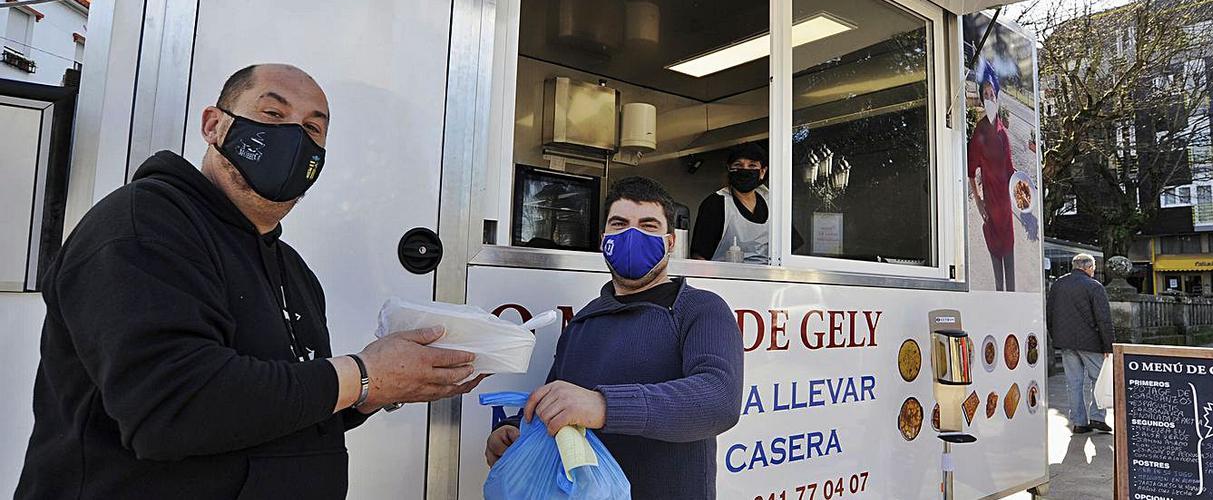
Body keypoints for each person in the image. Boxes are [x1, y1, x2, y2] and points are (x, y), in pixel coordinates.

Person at [16, 64, 484, 499]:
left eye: (311, 128)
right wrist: (362, 374)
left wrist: (375, 391)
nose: (292, 138)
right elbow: (174, 408)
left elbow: (277, 405)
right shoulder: (142, 226)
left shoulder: (293, 270)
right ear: (214, 125)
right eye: (273, 113)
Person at [485, 176, 744, 497]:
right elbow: (554, 406)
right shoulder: (582, 323)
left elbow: (719, 400)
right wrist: (512, 430)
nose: (632, 235)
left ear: (670, 242)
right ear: (603, 239)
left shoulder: (700, 309)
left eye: (648, 226)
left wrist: (604, 406)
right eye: (620, 224)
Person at [690, 143, 802, 263]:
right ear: (729, 169)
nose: (745, 170)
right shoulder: (715, 204)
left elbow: (789, 248)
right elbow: (699, 257)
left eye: (752, 165)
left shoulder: (772, 202)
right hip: (724, 278)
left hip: (767, 278)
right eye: (738, 165)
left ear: (763, 171)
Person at [1047, 253, 1116, 434]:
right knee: (1098, 380)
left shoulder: (1058, 285)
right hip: (1091, 342)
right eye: (1093, 268)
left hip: (1066, 341)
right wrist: (1108, 345)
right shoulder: (1094, 286)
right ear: (1088, 267)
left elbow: (1050, 313)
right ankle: (1097, 417)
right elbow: (1103, 319)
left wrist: (1056, 337)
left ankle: (1079, 422)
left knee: (1074, 382)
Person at [968, 64, 1017, 291]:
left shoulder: (1002, 130)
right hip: (990, 200)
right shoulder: (979, 131)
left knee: (1009, 248)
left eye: (992, 94)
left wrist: (1023, 188)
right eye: (985, 94)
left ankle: (1013, 296)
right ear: (981, 98)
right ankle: (999, 294)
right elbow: (970, 171)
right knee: (994, 245)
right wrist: (978, 202)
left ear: (997, 97)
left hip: (1005, 202)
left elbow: (1010, 167)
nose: (989, 97)